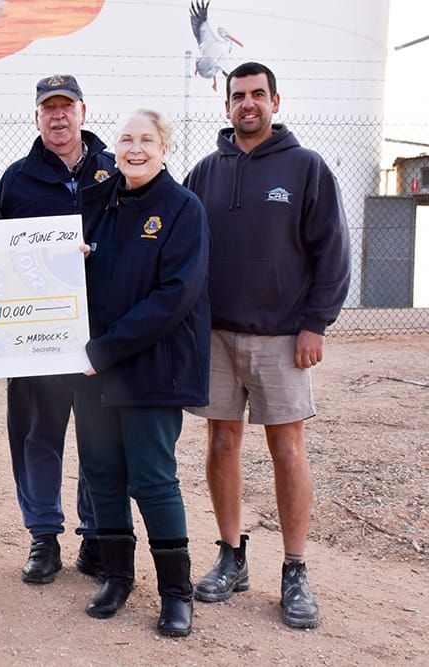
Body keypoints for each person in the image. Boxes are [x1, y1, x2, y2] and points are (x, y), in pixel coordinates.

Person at [183, 62, 350, 630]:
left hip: (283, 337)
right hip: (216, 335)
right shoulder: (204, 171)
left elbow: (332, 251)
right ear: (226, 105)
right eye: (238, 96)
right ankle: (231, 556)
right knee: (222, 442)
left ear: (276, 100)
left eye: (258, 94)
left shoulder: (306, 168)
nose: (247, 103)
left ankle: (295, 568)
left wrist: (315, 324)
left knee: (287, 450)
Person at [74, 109, 210, 637]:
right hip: (93, 369)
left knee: (152, 480)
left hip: (150, 368)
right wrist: (74, 260)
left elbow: (174, 297)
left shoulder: (182, 209)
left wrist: (104, 350)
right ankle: (117, 577)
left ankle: (176, 593)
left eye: (146, 140)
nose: (135, 148)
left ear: (164, 148)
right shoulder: (98, 203)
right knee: (102, 474)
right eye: (126, 139)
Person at [0, 74, 115, 585]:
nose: (58, 116)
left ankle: (94, 537)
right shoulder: (18, 179)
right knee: (38, 434)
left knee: (98, 436)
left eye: (67, 107)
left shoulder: (115, 171)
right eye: (49, 108)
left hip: (100, 334)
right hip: (36, 336)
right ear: (37, 116)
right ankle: (43, 536)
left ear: (84, 112)